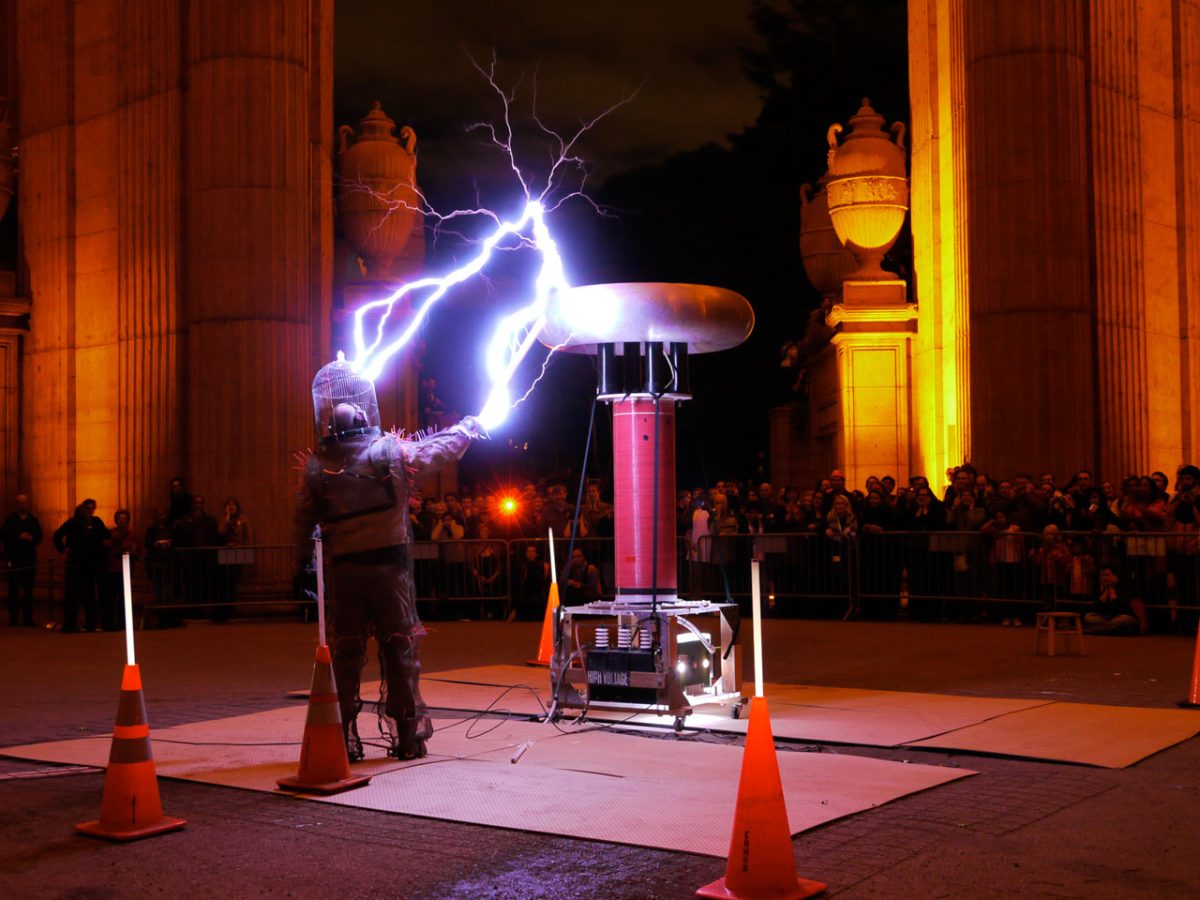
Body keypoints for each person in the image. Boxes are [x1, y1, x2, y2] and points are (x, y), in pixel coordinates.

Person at [294, 356, 482, 762]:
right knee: (399, 652)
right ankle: (407, 738)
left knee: (345, 654)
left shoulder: (317, 467)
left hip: (345, 574)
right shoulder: (389, 453)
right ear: (365, 412)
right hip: (389, 572)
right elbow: (436, 451)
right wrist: (465, 429)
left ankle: (341, 738)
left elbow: (302, 524)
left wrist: (304, 568)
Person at [52, 502, 110, 632]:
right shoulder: (81, 523)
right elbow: (106, 535)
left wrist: (63, 549)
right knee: (86, 595)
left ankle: (73, 625)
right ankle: (88, 624)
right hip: (84, 563)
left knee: (76, 595)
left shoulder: (77, 523)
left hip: (80, 563)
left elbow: (57, 536)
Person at [2, 494, 43, 627]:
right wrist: (19, 536)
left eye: (25, 503)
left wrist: (32, 539)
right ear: (16, 504)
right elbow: (4, 537)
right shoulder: (10, 520)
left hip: (29, 558)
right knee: (13, 590)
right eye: (20, 503)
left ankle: (27, 618)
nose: (23, 505)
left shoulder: (32, 520)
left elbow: (39, 535)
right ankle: (13, 618)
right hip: (14, 558)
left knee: (29, 590)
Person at [215, 497, 252, 622]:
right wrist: (227, 518)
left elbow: (248, 537)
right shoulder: (223, 519)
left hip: (238, 553)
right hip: (225, 554)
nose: (231, 507)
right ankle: (224, 609)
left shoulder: (243, 520)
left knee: (232, 580)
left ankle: (229, 608)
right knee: (223, 581)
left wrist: (240, 546)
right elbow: (220, 532)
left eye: (233, 505)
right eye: (228, 505)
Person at [101, 509, 139, 631]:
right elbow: (105, 547)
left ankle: (123, 623)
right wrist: (112, 540)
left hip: (125, 569)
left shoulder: (132, 534)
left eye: (124, 518)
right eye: (120, 518)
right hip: (112, 569)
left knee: (124, 598)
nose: (122, 521)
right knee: (111, 598)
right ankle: (110, 624)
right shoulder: (110, 533)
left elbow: (135, 550)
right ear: (116, 520)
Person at [1083, 565, 1142, 635]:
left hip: (1123, 616)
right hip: (1106, 618)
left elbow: (1119, 608)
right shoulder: (1100, 587)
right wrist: (1105, 591)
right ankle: (1109, 630)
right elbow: (1097, 608)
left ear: (1115, 576)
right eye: (1101, 576)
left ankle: (1099, 630)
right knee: (1088, 617)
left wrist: (1111, 589)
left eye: (1107, 575)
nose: (1103, 578)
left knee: (1124, 620)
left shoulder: (1125, 586)